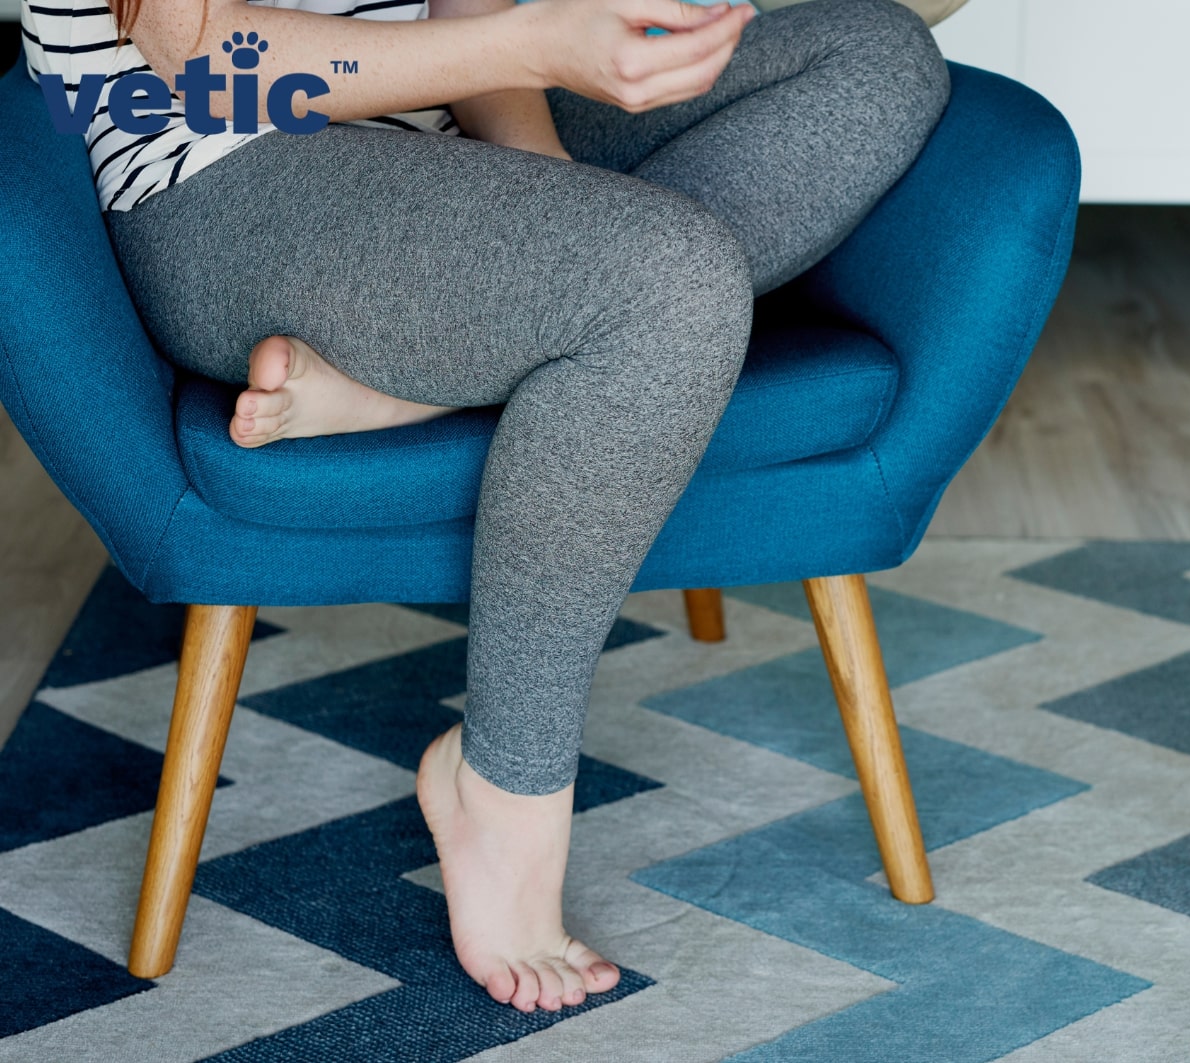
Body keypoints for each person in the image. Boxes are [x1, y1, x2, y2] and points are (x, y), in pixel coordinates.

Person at [20, 0, 948, 1013]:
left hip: (440, 119)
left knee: (875, 53)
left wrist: (545, 187)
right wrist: (536, 47)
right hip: (226, 165)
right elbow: (200, 61)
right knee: (668, 283)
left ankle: (412, 381)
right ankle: (503, 786)